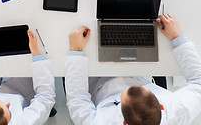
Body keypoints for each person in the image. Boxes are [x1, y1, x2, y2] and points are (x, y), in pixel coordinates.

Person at [65, 14, 201, 124]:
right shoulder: (177, 111)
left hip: (97, 81)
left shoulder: (100, 122)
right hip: (140, 74)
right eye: (141, 89)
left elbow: (77, 100)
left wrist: (76, 50)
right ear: (161, 106)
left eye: (125, 93)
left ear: (124, 122)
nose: (126, 84)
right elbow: (198, 82)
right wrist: (177, 38)